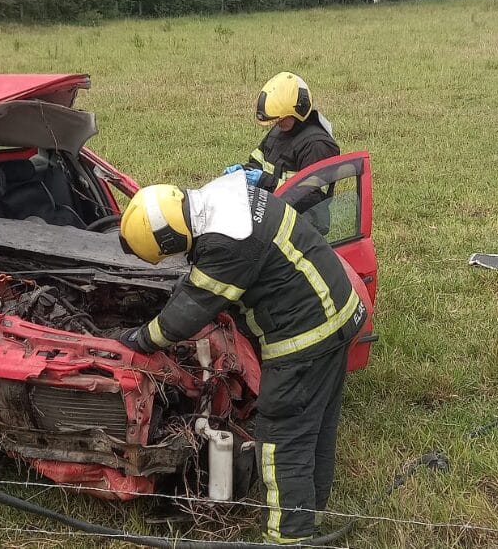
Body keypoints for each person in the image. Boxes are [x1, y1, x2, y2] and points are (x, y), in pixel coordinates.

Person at [111, 171, 367, 544]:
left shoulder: (228, 243)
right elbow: (202, 279)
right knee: (316, 424)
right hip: (338, 313)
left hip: (306, 338)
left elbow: (188, 313)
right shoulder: (226, 198)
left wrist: (139, 338)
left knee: (283, 438)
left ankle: (289, 537)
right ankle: (312, 510)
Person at [225, 72, 339, 198]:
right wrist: (244, 172)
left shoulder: (317, 145)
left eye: (281, 118)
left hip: (302, 217)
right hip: (272, 210)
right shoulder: (281, 130)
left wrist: (264, 182)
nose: (277, 123)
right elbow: (259, 163)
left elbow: (312, 199)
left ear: (298, 111)